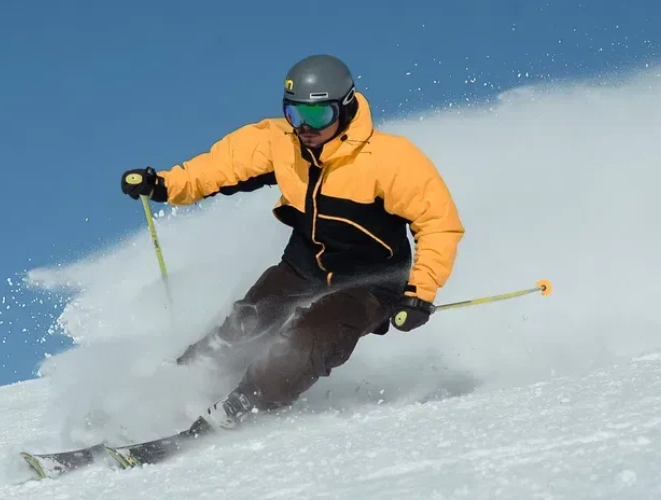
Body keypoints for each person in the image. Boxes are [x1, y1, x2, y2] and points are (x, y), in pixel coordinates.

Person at [120, 54, 464, 431]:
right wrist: (165, 184)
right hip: (304, 267)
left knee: (306, 341)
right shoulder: (281, 143)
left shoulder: (390, 159)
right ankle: (174, 389)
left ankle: (243, 405)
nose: (304, 127)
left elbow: (438, 223)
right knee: (245, 325)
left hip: (371, 284)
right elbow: (219, 167)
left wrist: (420, 293)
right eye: (294, 114)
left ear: (345, 108)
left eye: (317, 116)